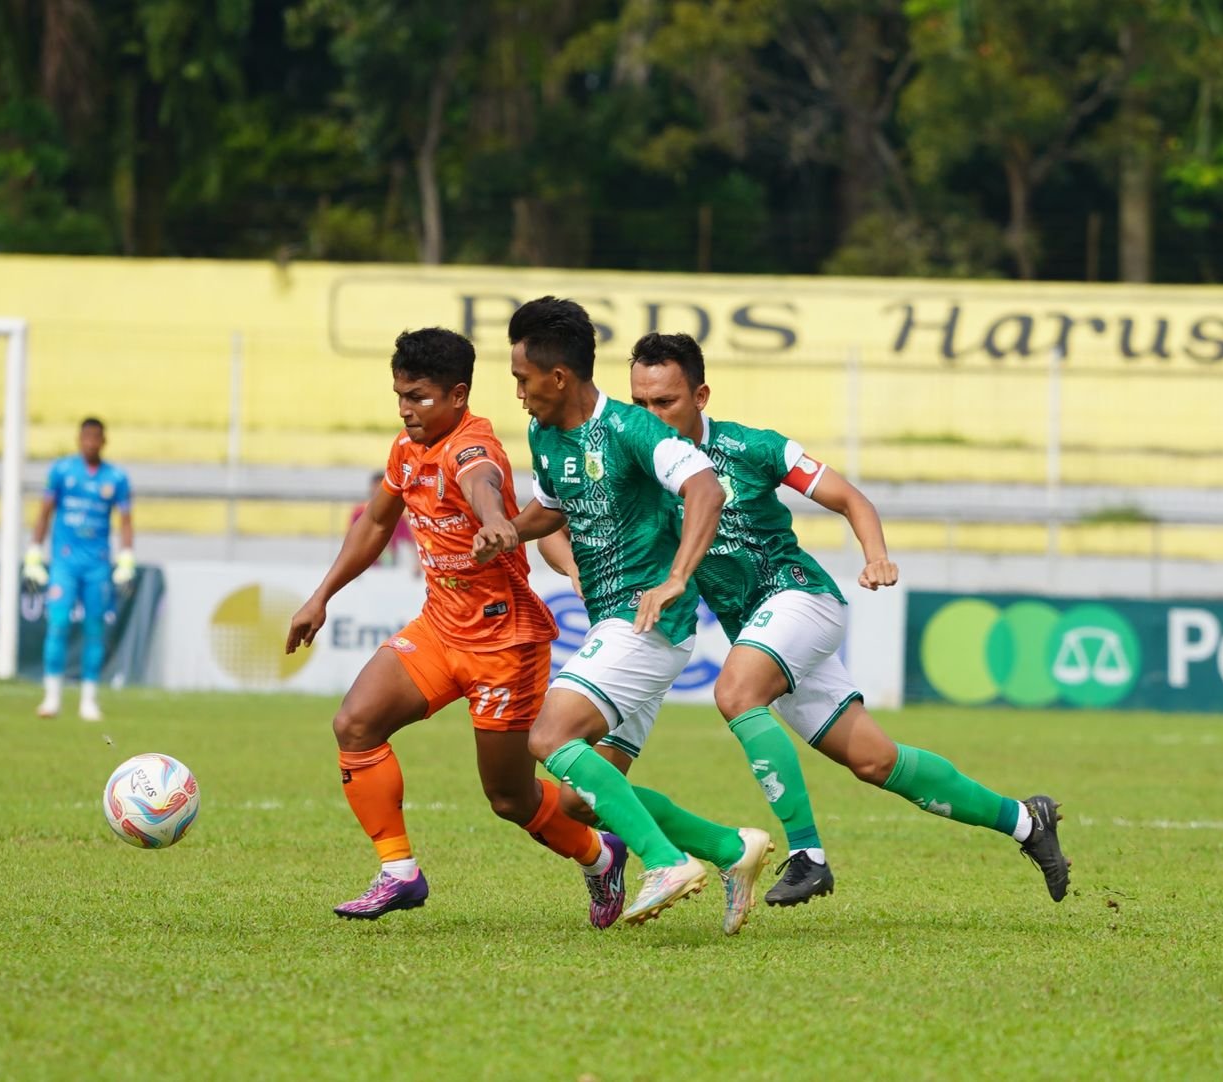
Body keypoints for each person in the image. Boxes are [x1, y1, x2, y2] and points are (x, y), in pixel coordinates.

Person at [593, 331, 1071, 904]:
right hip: (760, 632)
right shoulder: (639, 470)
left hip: (801, 599)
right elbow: (575, 522)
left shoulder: (753, 448)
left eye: (664, 402)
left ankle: (807, 856)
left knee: (736, 693)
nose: (650, 415)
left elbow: (850, 498)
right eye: (638, 403)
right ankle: (1025, 820)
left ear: (700, 395)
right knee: (875, 761)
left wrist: (876, 556)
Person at [285, 327, 626, 926]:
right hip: (441, 630)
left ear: (458, 395)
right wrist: (321, 596)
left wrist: (496, 522)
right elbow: (373, 526)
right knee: (355, 723)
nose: (406, 410)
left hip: (504, 644)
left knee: (509, 798)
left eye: (418, 397)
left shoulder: (473, 446)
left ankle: (600, 856)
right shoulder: (405, 449)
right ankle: (399, 873)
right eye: (399, 395)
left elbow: (483, 484)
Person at [474, 297, 774, 934]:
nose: (518, 394)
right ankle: (729, 848)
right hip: (619, 624)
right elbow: (553, 509)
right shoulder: (546, 434)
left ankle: (664, 862)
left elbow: (706, 488)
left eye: (522, 380)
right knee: (588, 799)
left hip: (645, 624)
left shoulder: (635, 432)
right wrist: (509, 531)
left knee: (548, 738)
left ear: (559, 377)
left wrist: (675, 578)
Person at [23, 417, 135, 722]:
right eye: (86, 437)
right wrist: (34, 551)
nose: (90, 442)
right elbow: (45, 512)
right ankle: (52, 698)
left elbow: (125, 521)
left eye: (96, 437)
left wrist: (126, 558)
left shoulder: (117, 478)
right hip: (64, 563)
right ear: (79, 439)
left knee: (94, 631)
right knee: (58, 624)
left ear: (103, 440)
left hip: (97, 565)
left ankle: (88, 700)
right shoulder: (61, 471)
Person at [348, 471, 418, 570]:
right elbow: (351, 542)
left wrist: (417, 564)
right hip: (364, 566)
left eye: (381, 488)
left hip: (390, 567)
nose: (377, 491)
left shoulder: (398, 515)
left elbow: (410, 542)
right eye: (375, 487)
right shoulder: (359, 513)